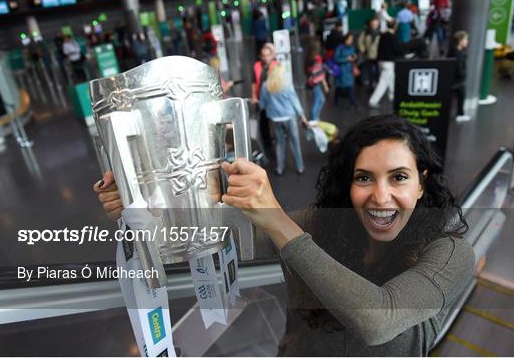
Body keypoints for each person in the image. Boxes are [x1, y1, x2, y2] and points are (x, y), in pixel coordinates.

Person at [93, 115, 474, 356]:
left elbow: (378, 321)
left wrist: (275, 218)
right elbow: (215, 238)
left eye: (399, 177)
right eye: (364, 178)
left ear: (422, 184)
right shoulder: (320, 224)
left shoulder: (449, 252)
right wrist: (144, 207)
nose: (380, 196)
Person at [259, 63, 308, 176]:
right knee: (294, 141)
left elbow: (262, 104)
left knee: (279, 142)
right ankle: (300, 167)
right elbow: (294, 101)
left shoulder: (266, 85)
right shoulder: (286, 84)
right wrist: (302, 115)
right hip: (289, 117)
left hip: (275, 118)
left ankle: (280, 168)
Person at [251, 43, 277, 161]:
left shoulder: (276, 66)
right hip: (260, 99)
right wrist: (253, 96)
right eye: (263, 55)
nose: (265, 58)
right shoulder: (257, 66)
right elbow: (254, 82)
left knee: (274, 122)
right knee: (263, 124)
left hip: (272, 100)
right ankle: (268, 144)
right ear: (260, 56)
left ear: (272, 56)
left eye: (268, 55)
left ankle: (277, 139)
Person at [368, 20, 403, 109]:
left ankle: (392, 97)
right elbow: (398, 49)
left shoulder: (383, 35)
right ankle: (373, 101)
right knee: (383, 82)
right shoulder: (393, 36)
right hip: (388, 62)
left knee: (391, 79)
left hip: (380, 61)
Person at [447, 31, 470, 123]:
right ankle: (460, 114)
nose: (467, 42)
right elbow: (459, 69)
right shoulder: (458, 54)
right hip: (456, 81)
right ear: (460, 41)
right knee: (461, 95)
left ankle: (460, 114)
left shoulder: (453, 50)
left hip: (453, 80)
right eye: (465, 39)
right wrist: (463, 75)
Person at [305, 40, 329, 121]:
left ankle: (315, 117)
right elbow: (320, 72)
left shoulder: (308, 58)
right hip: (316, 83)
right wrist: (325, 84)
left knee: (320, 99)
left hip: (311, 82)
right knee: (318, 100)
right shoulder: (317, 58)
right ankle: (314, 119)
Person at [333, 33, 358, 109]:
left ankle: (353, 103)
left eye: (351, 40)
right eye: (349, 39)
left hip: (349, 70)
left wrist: (354, 57)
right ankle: (336, 101)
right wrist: (346, 59)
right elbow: (336, 59)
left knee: (349, 87)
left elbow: (354, 56)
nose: (350, 41)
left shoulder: (352, 48)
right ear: (345, 39)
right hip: (341, 71)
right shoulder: (340, 48)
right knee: (339, 88)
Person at [357, 17, 381, 91]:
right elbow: (360, 42)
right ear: (370, 24)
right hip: (368, 55)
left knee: (378, 71)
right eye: (373, 24)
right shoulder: (365, 33)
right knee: (370, 71)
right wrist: (363, 50)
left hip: (378, 55)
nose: (374, 25)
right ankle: (371, 86)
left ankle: (378, 86)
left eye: (376, 24)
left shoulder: (380, 33)